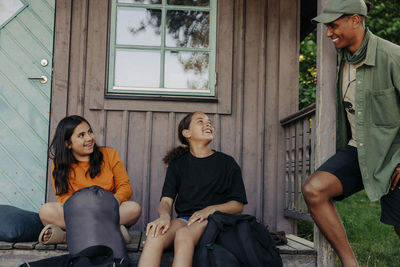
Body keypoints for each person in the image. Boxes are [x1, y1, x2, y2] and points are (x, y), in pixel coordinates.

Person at [302, 0, 400, 266]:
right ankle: (350, 263)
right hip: (359, 150)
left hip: (393, 156)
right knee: (314, 190)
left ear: (355, 20)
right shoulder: (341, 61)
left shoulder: (393, 56)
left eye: (334, 25)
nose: (329, 33)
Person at [138, 112, 248, 267]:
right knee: (154, 235)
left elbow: (238, 205)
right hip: (185, 220)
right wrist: (164, 217)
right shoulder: (178, 164)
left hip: (215, 220)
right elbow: (166, 201)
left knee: (183, 235)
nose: (208, 124)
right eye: (200, 121)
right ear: (187, 133)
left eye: (209, 122)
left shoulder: (227, 163)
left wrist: (208, 210)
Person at [38, 115, 141, 244]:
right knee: (45, 211)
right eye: (81, 135)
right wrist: (85, 209)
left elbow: (125, 187)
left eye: (90, 131)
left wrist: (112, 201)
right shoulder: (60, 165)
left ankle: (66, 237)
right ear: (68, 143)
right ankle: (110, 233)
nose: (89, 138)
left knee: (133, 208)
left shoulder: (110, 155)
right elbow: (64, 198)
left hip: (108, 209)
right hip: (79, 212)